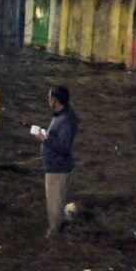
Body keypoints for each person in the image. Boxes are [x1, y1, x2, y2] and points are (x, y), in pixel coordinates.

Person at [33, 85, 78, 238]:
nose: (48, 99)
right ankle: (65, 217)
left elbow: (64, 148)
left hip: (57, 171)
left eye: (49, 97)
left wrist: (44, 139)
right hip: (61, 167)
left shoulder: (65, 120)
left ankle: (54, 237)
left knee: (53, 207)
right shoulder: (64, 114)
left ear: (56, 100)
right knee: (59, 201)